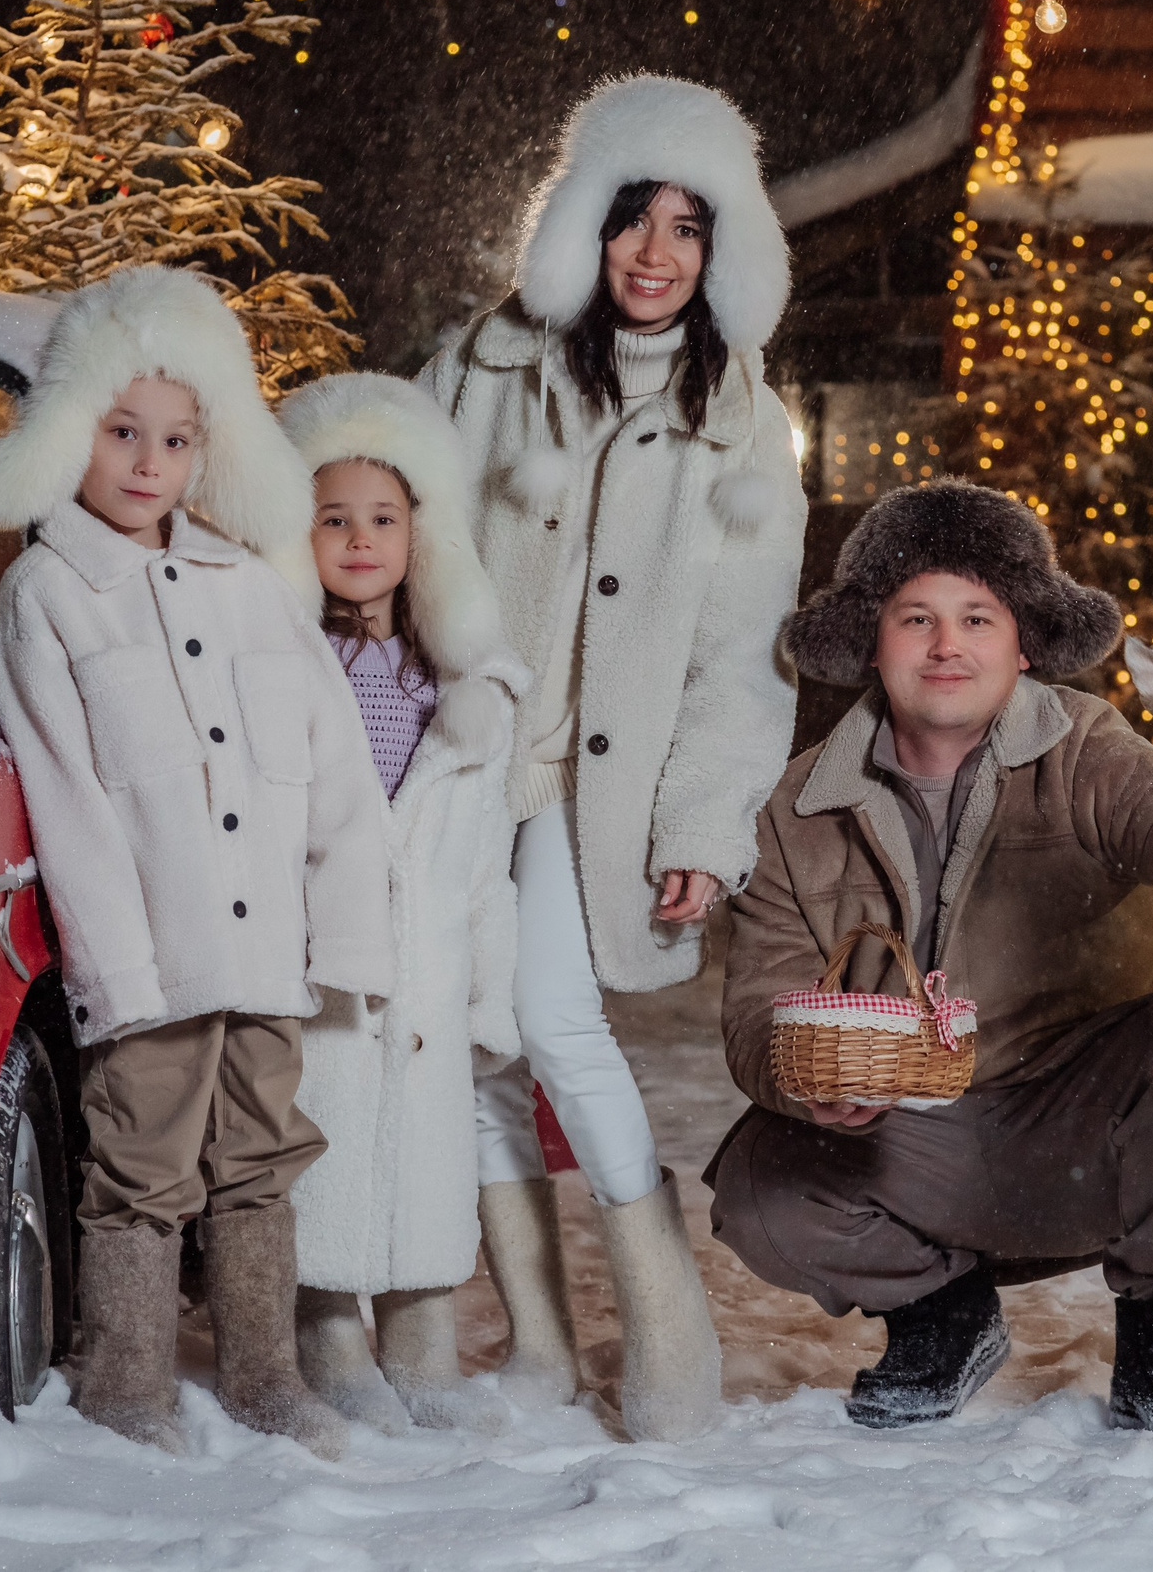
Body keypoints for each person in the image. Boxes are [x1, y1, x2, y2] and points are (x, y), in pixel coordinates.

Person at [706, 480, 1153, 1434]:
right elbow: (759, 1007)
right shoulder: (795, 808)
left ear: (1022, 644)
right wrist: (800, 1078)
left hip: (1080, 1118)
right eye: (915, 617)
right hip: (907, 1132)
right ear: (869, 641)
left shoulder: (1082, 744)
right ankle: (939, 1314)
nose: (947, 645)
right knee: (761, 1186)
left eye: (979, 617)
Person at [419, 74, 806, 1441]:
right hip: (457, 756)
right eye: (631, 218)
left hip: (595, 791)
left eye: (686, 228)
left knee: (555, 1023)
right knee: (467, 1045)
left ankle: (668, 1332)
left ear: (723, 252)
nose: (654, 253)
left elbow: (743, 654)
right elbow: (388, 529)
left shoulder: (743, 425)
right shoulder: (485, 365)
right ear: (582, 224)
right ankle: (535, 1341)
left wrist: (704, 822)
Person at [0, 265, 391, 1458]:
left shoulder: (251, 588)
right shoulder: (46, 593)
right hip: (152, 958)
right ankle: (129, 1386)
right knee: (142, 1169)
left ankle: (266, 1379)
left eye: (176, 439)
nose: (149, 463)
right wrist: (121, 974)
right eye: (120, 434)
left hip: (266, 954)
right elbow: (70, 806)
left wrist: (340, 937)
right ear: (71, 433)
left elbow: (334, 777)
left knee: (260, 1158)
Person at [278, 373, 530, 1435]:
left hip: (428, 960)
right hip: (321, 961)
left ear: (423, 533)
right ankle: (328, 1325)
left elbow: (483, 865)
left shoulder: (459, 682)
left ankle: (423, 1332)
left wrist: (489, 994)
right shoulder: (288, 665)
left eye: (384, 517)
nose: (360, 538)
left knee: (425, 1153)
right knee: (323, 1137)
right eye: (333, 517)